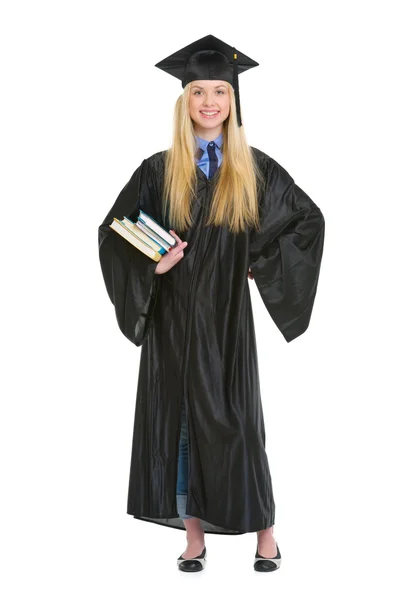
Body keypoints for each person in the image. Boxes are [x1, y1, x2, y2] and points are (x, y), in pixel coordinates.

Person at [98, 35, 325, 573]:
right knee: (180, 427)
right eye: (198, 91)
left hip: (226, 320)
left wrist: (261, 261)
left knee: (240, 425)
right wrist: (153, 266)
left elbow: (305, 221)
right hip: (173, 322)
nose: (209, 102)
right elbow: (114, 233)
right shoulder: (158, 170)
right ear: (184, 100)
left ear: (233, 98)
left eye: (219, 91)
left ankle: (265, 533)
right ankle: (194, 538)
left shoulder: (254, 169)